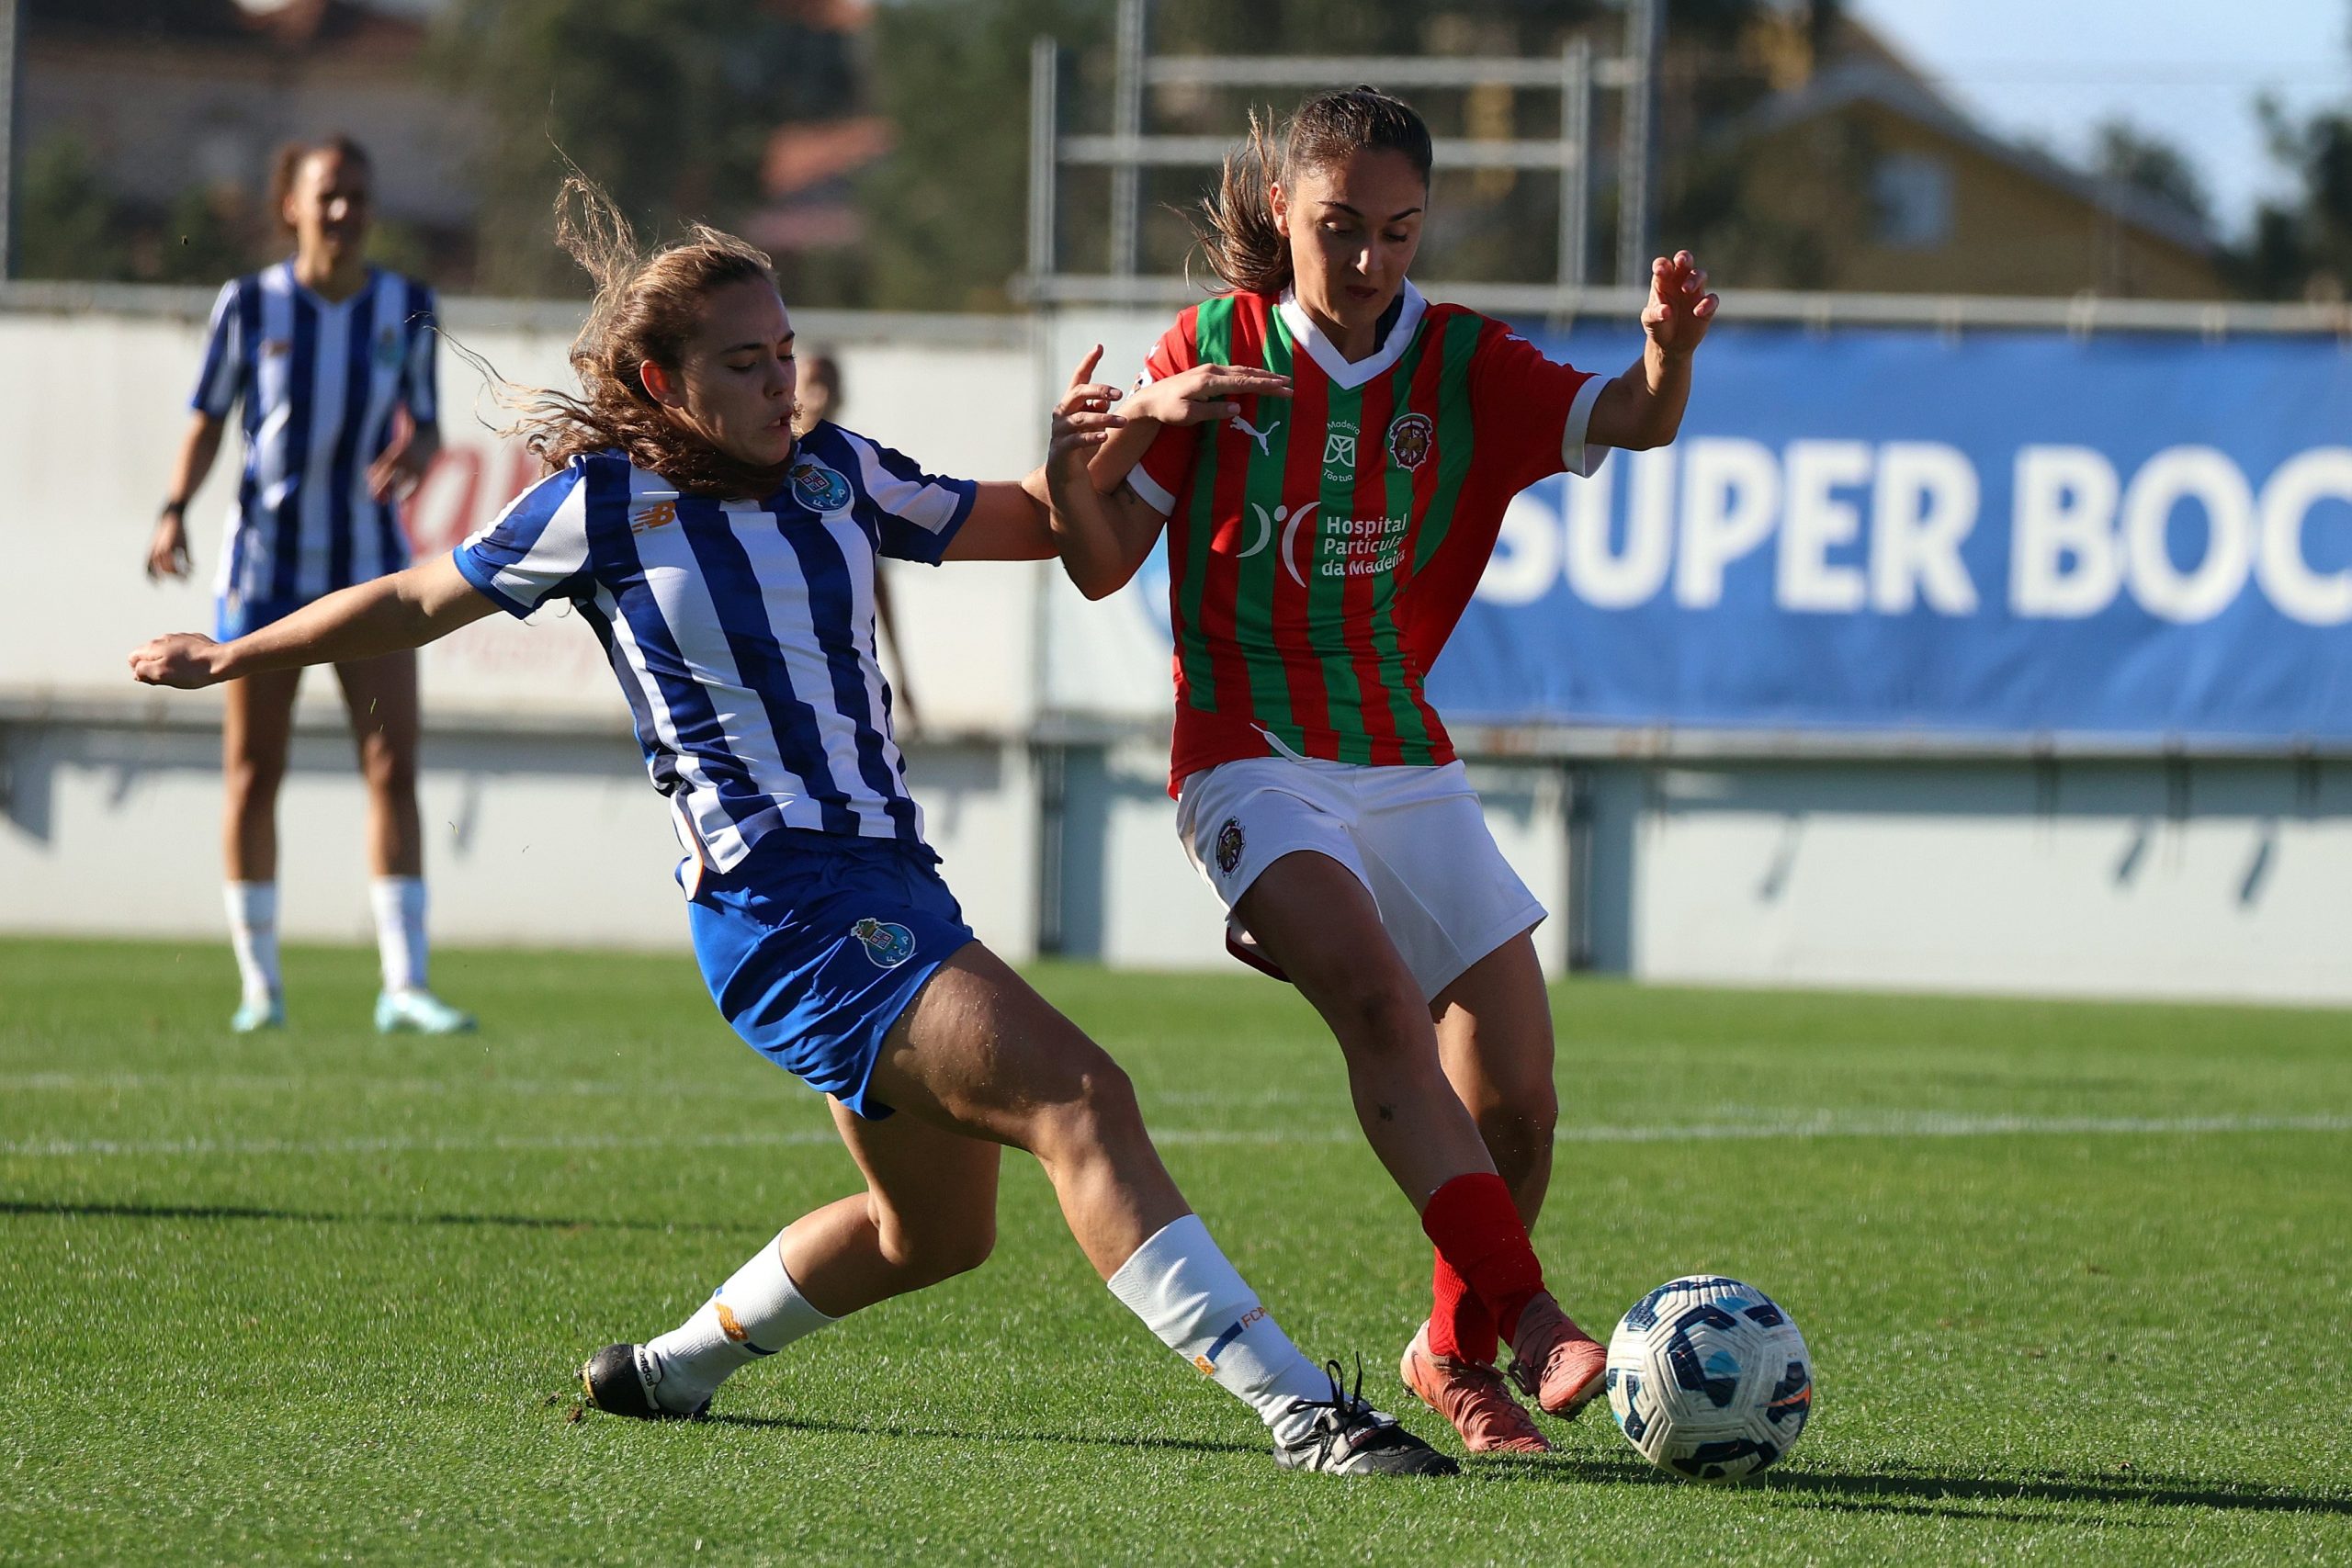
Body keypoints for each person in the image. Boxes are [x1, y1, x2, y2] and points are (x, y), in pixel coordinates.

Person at [129, 175, 1450, 1478]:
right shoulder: (600, 507)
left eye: (788, 353)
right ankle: (1305, 1412)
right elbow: (418, 600)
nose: (783, 385)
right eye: (747, 363)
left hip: (891, 887)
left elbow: (1046, 526)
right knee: (1083, 1097)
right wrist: (233, 653)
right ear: (661, 386)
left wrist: (1129, 423)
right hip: (782, 910)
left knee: (930, 1236)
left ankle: (668, 1369)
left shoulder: (836, 474)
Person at [1046, 87, 1718, 1456]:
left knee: (1519, 1097)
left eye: (1398, 232)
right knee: (1374, 1002)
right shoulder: (1215, 348)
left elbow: (1636, 421)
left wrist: (1665, 354)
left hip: (1398, 748)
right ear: (1284, 211)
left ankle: (1448, 1350)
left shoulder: (1460, 363)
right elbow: (1102, 559)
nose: (1367, 263)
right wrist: (1080, 467)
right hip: (1243, 751)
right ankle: (1533, 1318)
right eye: (1339, 227)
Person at [144, 134, 472, 1035]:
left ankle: (404, 983)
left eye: (358, 194)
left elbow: (433, 427)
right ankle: (261, 985)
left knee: (391, 763)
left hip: (369, 564)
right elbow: (208, 417)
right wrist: (174, 507)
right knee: (255, 771)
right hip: (266, 567)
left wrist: (418, 453)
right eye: (328, 194)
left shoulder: (407, 304)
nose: (344, 210)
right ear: (290, 203)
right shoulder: (249, 305)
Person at [793, 351, 920, 734]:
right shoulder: (764, 468)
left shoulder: (853, 473)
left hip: (834, 655)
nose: (820, 396)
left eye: (828, 385)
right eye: (812, 384)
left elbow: (877, 583)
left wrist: (902, 673)